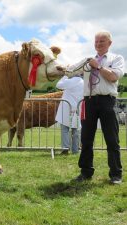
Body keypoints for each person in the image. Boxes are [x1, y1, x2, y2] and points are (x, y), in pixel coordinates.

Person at [65, 31, 125, 184]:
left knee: (112, 139)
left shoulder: (116, 58)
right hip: (89, 102)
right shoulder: (87, 61)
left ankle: (116, 174)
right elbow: (70, 71)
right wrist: (57, 66)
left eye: (102, 41)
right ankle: (85, 172)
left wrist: (97, 66)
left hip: (107, 102)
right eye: (96, 41)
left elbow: (113, 77)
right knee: (86, 138)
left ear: (110, 43)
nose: (98, 44)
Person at [55, 74, 84, 155]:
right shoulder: (84, 83)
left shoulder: (69, 81)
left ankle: (65, 148)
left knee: (65, 129)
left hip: (66, 107)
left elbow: (58, 85)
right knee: (76, 130)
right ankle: (75, 150)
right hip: (78, 107)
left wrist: (65, 76)